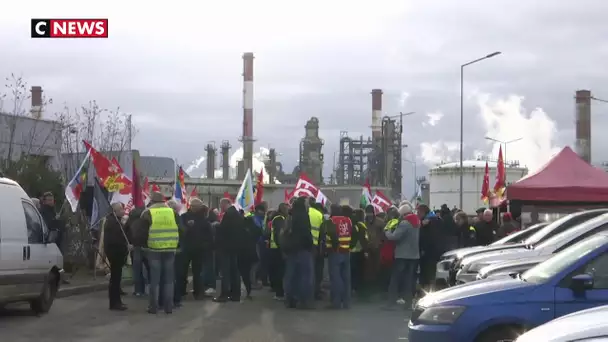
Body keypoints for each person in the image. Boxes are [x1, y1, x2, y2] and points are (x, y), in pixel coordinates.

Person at [140, 192, 180, 314]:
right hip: (170, 249)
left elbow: (141, 233)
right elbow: (181, 229)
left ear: (151, 201)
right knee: (168, 280)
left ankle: (153, 307)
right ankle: (169, 307)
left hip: (154, 249)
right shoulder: (172, 212)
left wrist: (142, 246)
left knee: (154, 280)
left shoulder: (147, 213)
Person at [383, 202, 420, 310]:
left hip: (402, 255)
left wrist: (387, 231)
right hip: (414, 255)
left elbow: (394, 237)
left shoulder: (405, 223)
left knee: (395, 279)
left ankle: (391, 303)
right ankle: (408, 303)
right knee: (408, 280)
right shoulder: (416, 222)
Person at [282, 197, 315, 309]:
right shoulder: (303, 216)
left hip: (291, 249)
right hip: (303, 249)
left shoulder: (290, 216)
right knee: (305, 276)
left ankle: (290, 299)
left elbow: (285, 232)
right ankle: (304, 300)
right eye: (306, 203)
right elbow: (306, 234)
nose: (308, 205)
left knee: (291, 275)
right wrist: (310, 245)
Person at [179, 198, 213, 300]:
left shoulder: (204, 218)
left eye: (199, 207)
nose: (197, 208)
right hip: (186, 248)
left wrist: (206, 245)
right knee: (182, 271)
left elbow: (209, 234)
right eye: (195, 206)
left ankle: (198, 292)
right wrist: (188, 227)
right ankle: (181, 291)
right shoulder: (184, 217)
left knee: (198, 272)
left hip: (199, 249)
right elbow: (181, 231)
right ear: (191, 206)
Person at [213, 198, 244, 303]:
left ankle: (224, 294)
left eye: (222, 206)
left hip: (226, 247)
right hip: (235, 247)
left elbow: (224, 230)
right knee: (235, 271)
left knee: (225, 271)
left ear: (227, 204)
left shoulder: (228, 214)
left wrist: (217, 226)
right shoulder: (237, 214)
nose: (221, 208)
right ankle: (236, 294)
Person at [325, 204, 354, 309]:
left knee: (335, 278)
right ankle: (346, 302)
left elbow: (332, 236)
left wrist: (333, 247)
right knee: (346, 278)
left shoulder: (331, 221)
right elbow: (353, 234)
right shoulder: (348, 220)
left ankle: (336, 302)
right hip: (346, 251)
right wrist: (350, 246)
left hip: (335, 252)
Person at [104, 203, 131, 311]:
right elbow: (116, 239)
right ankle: (114, 303)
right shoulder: (112, 223)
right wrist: (126, 245)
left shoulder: (116, 221)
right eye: (120, 209)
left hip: (116, 253)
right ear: (114, 211)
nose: (123, 211)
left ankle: (117, 301)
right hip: (115, 253)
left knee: (116, 279)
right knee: (115, 279)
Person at [240, 204, 264, 299]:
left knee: (244, 271)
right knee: (254, 267)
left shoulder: (241, 229)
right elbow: (260, 233)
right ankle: (251, 284)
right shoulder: (255, 228)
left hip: (242, 252)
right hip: (252, 250)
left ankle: (248, 286)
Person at [417, 204, 443, 293]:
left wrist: (423, 249)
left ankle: (429, 291)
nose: (417, 214)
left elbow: (428, 238)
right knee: (430, 272)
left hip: (429, 252)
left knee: (428, 273)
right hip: (434, 250)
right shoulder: (436, 219)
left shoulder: (429, 222)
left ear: (423, 212)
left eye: (418, 212)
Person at [126, 205, 148, 296]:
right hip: (146, 246)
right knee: (150, 268)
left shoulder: (130, 222)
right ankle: (152, 287)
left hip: (134, 247)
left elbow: (126, 232)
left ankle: (138, 290)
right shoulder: (146, 221)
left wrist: (130, 243)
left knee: (137, 270)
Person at [268, 203, 289, 300]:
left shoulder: (277, 218)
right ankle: (279, 293)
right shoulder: (280, 219)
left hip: (274, 248)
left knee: (278, 272)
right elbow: (279, 235)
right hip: (277, 249)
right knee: (280, 272)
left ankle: (279, 292)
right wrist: (283, 248)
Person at [307, 198, 325, 300]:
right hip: (316, 246)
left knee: (307, 271)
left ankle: (308, 294)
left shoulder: (305, 213)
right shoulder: (319, 215)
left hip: (305, 245)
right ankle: (315, 292)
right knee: (316, 271)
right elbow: (323, 233)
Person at [350, 209, 368, 297]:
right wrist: (366, 250)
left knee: (351, 271)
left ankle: (351, 288)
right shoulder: (362, 225)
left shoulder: (351, 224)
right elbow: (364, 239)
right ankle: (356, 289)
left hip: (350, 251)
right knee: (358, 272)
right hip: (359, 252)